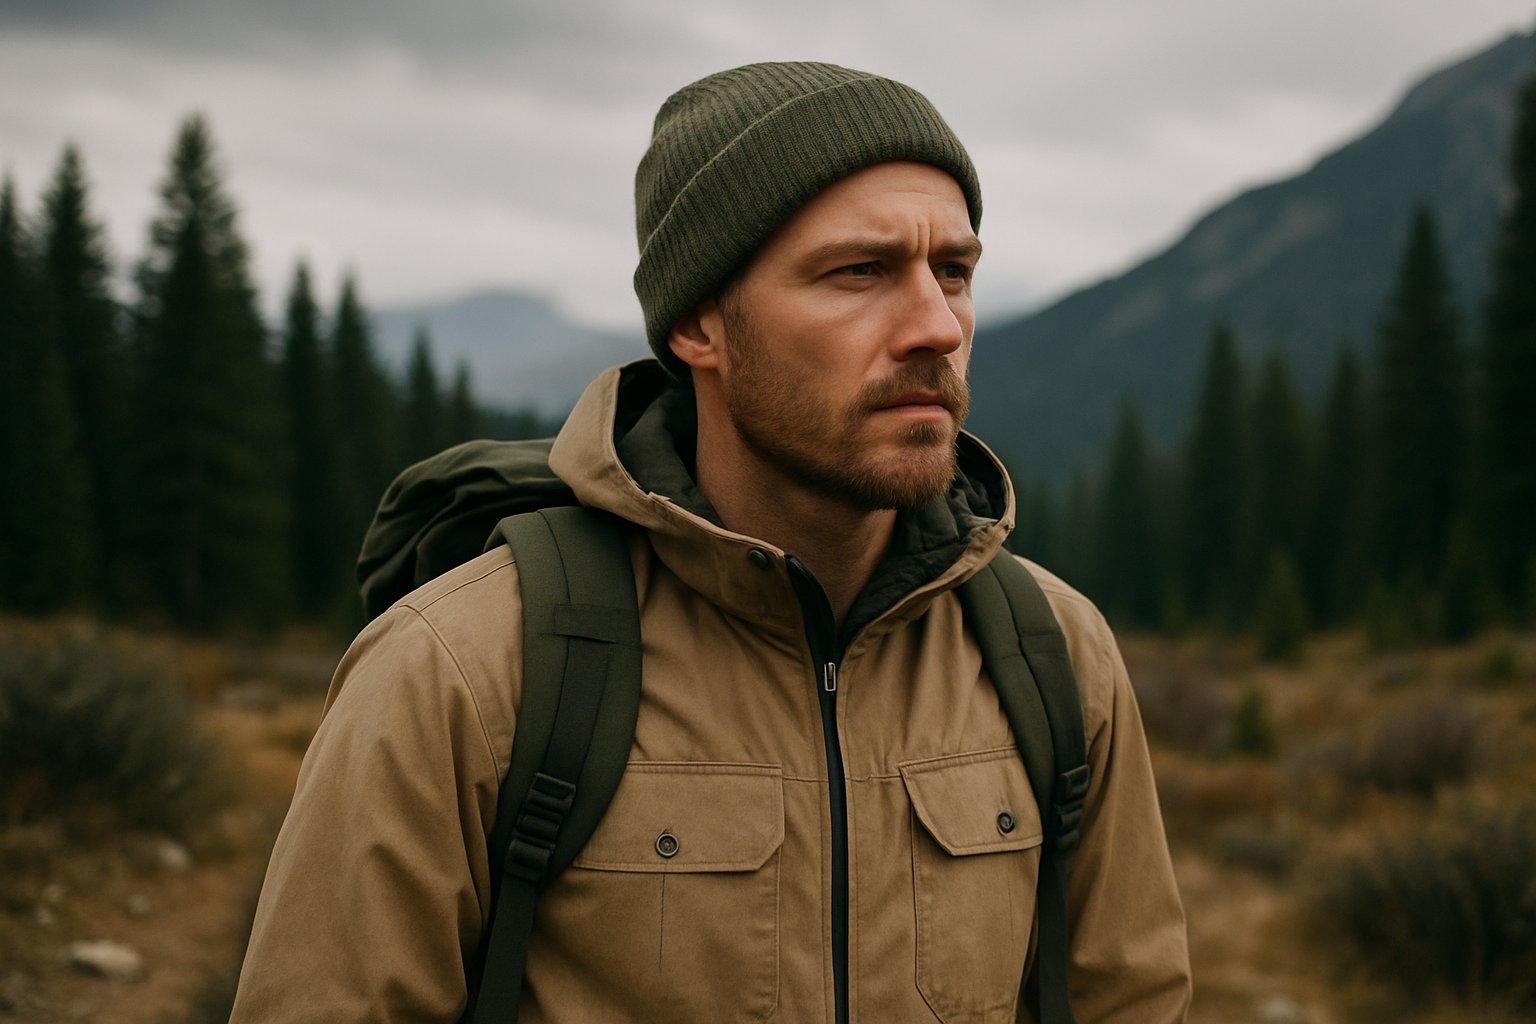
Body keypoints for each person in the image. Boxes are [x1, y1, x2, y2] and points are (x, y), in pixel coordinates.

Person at [229, 62, 1191, 1024]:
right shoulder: (465, 669)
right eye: (859, 272)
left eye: (954, 272)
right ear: (698, 322)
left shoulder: (1055, 655)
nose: (937, 327)